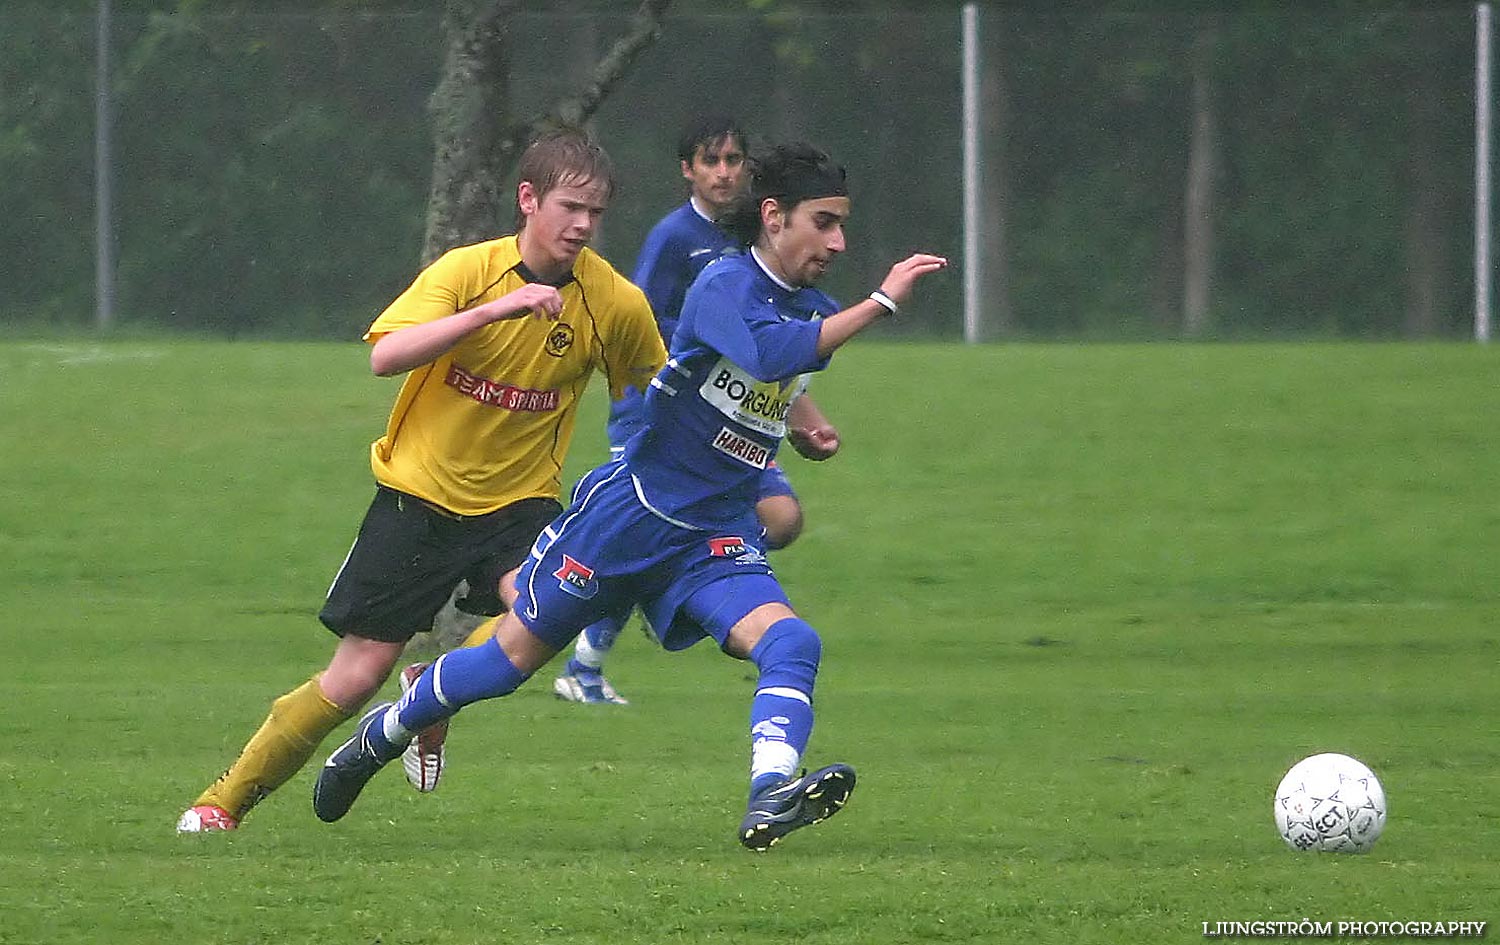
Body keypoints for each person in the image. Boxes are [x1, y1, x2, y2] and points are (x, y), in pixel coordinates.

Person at [311, 142, 948, 850]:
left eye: (841, 226)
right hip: (629, 515)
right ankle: (382, 734)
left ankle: (770, 791)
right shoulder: (721, 284)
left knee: (792, 640)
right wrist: (883, 300)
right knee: (504, 665)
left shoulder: (810, 308)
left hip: (711, 534)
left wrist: (803, 422)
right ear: (774, 217)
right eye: (824, 222)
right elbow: (769, 353)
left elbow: (781, 369)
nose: (839, 241)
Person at [174, 126, 666, 832]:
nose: (584, 224)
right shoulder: (469, 273)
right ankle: (222, 801)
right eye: (570, 206)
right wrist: (494, 311)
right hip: (419, 498)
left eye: (597, 212)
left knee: (546, 611)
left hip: (520, 504)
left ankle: (430, 690)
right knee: (352, 679)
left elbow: (659, 387)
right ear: (528, 200)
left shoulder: (612, 301)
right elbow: (386, 356)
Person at [552, 115, 839, 706]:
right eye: (711, 161)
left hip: (734, 425)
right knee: (650, 535)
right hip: (665, 416)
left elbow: (768, 342)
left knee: (781, 518)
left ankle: (696, 579)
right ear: (688, 169)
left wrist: (800, 411)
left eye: (734, 161)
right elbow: (640, 318)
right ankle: (586, 662)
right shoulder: (675, 237)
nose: (724, 173)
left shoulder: (755, 244)